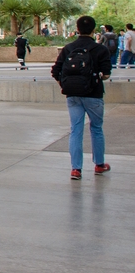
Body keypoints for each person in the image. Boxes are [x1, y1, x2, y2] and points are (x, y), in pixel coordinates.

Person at [52, 15, 111, 179]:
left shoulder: (68, 48)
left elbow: (55, 71)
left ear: (77, 29)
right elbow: (106, 74)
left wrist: (66, 84)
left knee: (76, 130)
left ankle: (76, 169)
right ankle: (99, 165)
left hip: (73, 96)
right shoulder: (100, 49)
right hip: (94, 96)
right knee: (96, 129)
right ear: (94, 30)